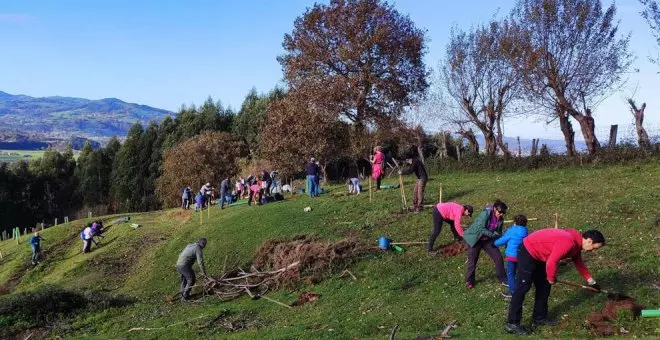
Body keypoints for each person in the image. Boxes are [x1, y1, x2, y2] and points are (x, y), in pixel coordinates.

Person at [505, 229, 605, 335]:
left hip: (541, 255)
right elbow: (552, 262)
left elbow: (579, 263)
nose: (593, 251)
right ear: (589, 241)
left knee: (544, 287)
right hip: (528, 250)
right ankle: (512, 323)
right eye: (594, 248)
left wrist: (592, 282)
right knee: (522, 287)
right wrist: (551, 278)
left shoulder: (576, 244)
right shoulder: (569, 242)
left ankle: (539, 318)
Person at [463, 200, 508, 289]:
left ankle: (503, 278)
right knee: (473, 260)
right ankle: (470, 281)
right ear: (495, 209)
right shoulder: (486, 214)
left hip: (487, 240)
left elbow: (498, 232)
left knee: (498, 257)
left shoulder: (500, 219)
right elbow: (480, 228)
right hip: (475, 239)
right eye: (500, 212)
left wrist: (501, 238)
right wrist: (492, 235)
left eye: (503, 212)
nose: (501, 214)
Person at [494, 215, 529, 298]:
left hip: (511, 257)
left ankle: (513, 292)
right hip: (521, 256)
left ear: (515, 223)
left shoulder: (511, 231)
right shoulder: (525, 230)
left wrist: (494, 243)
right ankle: (520, 286)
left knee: (510, 274)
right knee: (519, 272)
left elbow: (503, 240)